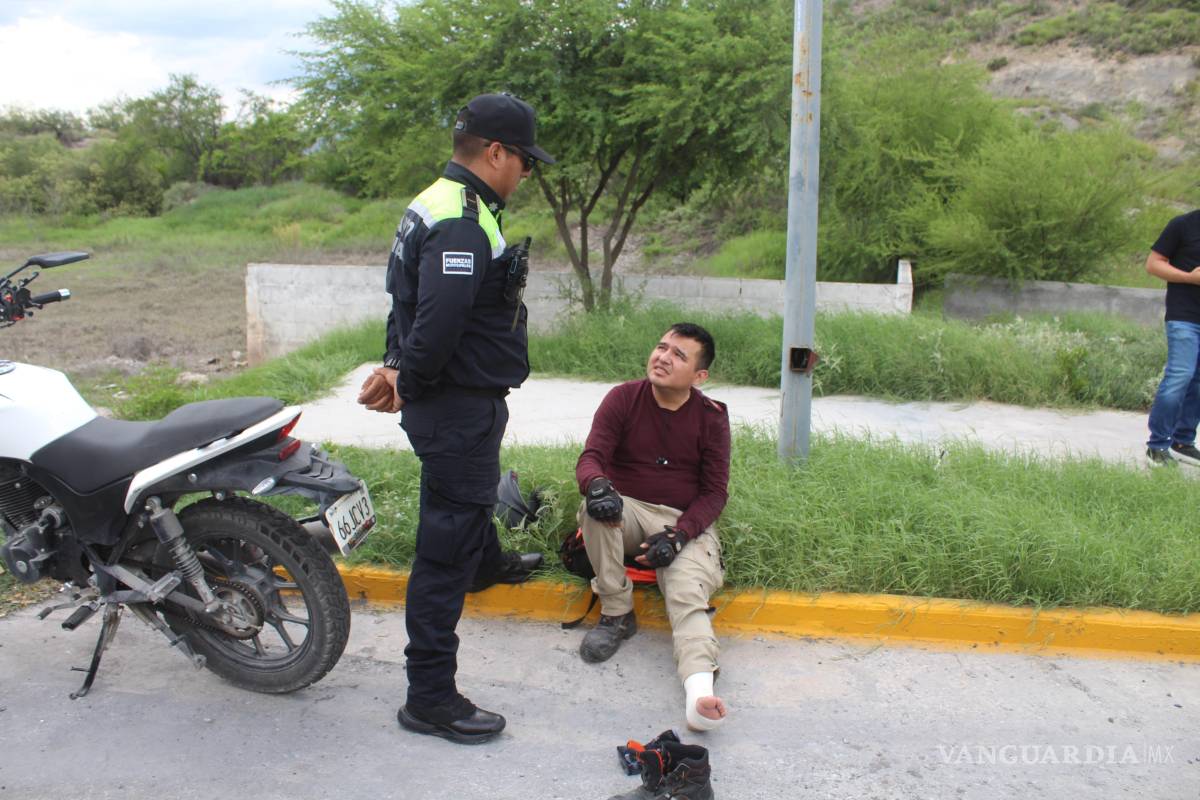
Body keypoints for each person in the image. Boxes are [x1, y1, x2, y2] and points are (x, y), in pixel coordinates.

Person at [356, 92, 553, 743]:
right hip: (455, 407)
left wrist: (394, 364)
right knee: (442, 551)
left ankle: (488, 565)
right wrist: (406, 381)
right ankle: (430, 697)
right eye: (524, 159)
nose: (526, 172)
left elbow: (402, 299)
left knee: (471, 502)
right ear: (496, 152)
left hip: (462, 403)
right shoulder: (464, 221)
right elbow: (435, 324)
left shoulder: (434, 201)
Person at [575, 322, 731, 732]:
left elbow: (714, 493)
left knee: (685, 594)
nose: (663, 357)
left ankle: (700, 694)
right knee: (594, 508)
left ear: (700, 377)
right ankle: (617, 612)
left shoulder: (712, 418)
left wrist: (680, 535)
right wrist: (598, 486)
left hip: (684, 521)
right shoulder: (624, 398)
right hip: (628, 512)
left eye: (679, 355)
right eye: (661, 346)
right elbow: (591, 457)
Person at [1145, 209, 1200, 467]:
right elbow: (1153, 264)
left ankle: (1182, 441)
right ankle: (1157, 445)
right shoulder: (1183, 224)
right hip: (1184, 317)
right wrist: (1189, 278)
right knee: (1181, 375)